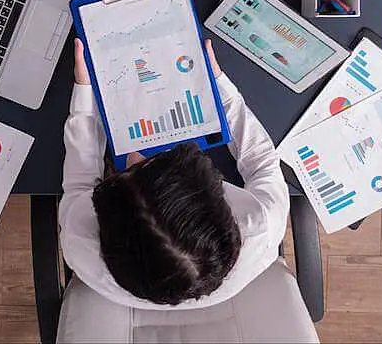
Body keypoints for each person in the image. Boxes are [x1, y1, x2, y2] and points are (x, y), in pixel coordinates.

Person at [60, 38, 289, 308]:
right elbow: (261, 161)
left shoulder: (81, 243)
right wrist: (217, 85)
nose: (135, 153)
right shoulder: (262, 223)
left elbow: (79, 184)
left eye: (128, 170)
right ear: (213, 190)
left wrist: (85, 96)